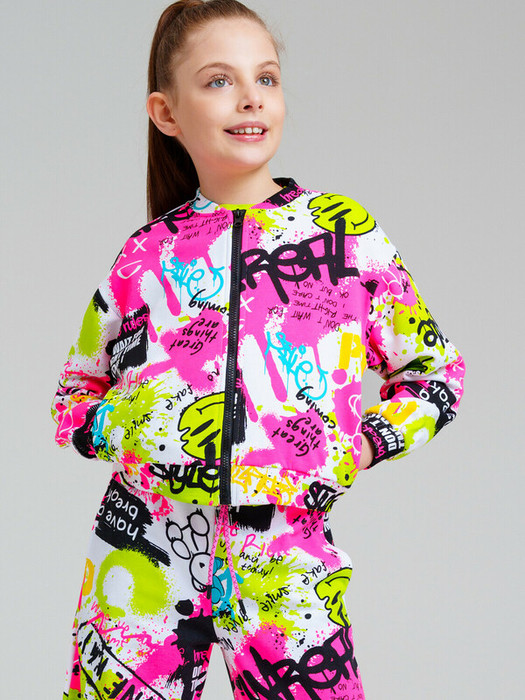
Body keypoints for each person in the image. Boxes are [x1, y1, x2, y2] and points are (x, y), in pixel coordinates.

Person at [51, 1, 465, 698]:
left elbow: (434, 373)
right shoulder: (143, 257)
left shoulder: (344, 237)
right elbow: (72, 397)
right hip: (144, 546)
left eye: (265, 78)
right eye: (219, 81)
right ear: (165, 113)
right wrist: (130, 429)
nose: (250, 98)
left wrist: (361, 445)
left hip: (285, 552)